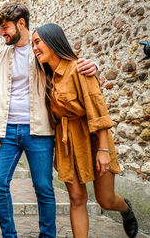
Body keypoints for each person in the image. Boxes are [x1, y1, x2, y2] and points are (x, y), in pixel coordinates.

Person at [0, 2, 98, 238]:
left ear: (21, 23)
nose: (2, 33)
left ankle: (48, 235)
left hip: (40, 131)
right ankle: (9, 235)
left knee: (44, 188)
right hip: (6, 132)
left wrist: (95, 65)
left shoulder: (43, 53)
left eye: (5, 28)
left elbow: (70, 66)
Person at [32, 23, 138, 238]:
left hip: (93, 137)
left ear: (53, 41)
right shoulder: (45, 76)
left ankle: (125, 209)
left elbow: (98, 111)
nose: (34, 48)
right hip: (67, 143)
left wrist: (103, 150)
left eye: (38, 42)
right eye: (33, 43)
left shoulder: (79, 69)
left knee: (105, 200)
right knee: (77, 199)